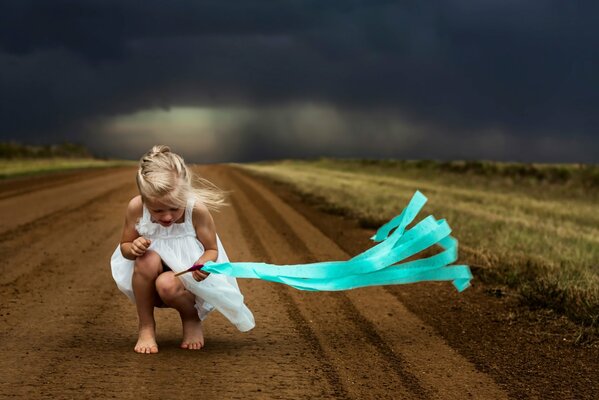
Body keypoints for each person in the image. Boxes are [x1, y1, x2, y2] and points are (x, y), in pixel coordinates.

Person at [110, 145, 255, 354]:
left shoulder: (196, 211)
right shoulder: (136, 207)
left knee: (166, 284)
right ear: (144, 198)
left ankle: (191, 319)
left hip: (185, 281)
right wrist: (132, 248)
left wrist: (203, 263)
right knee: (146, 259)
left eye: (174, 208)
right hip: (147, 279)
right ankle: (146, 326)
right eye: (157, 210)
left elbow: (211, 249)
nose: (167, 217)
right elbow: (124, 246)